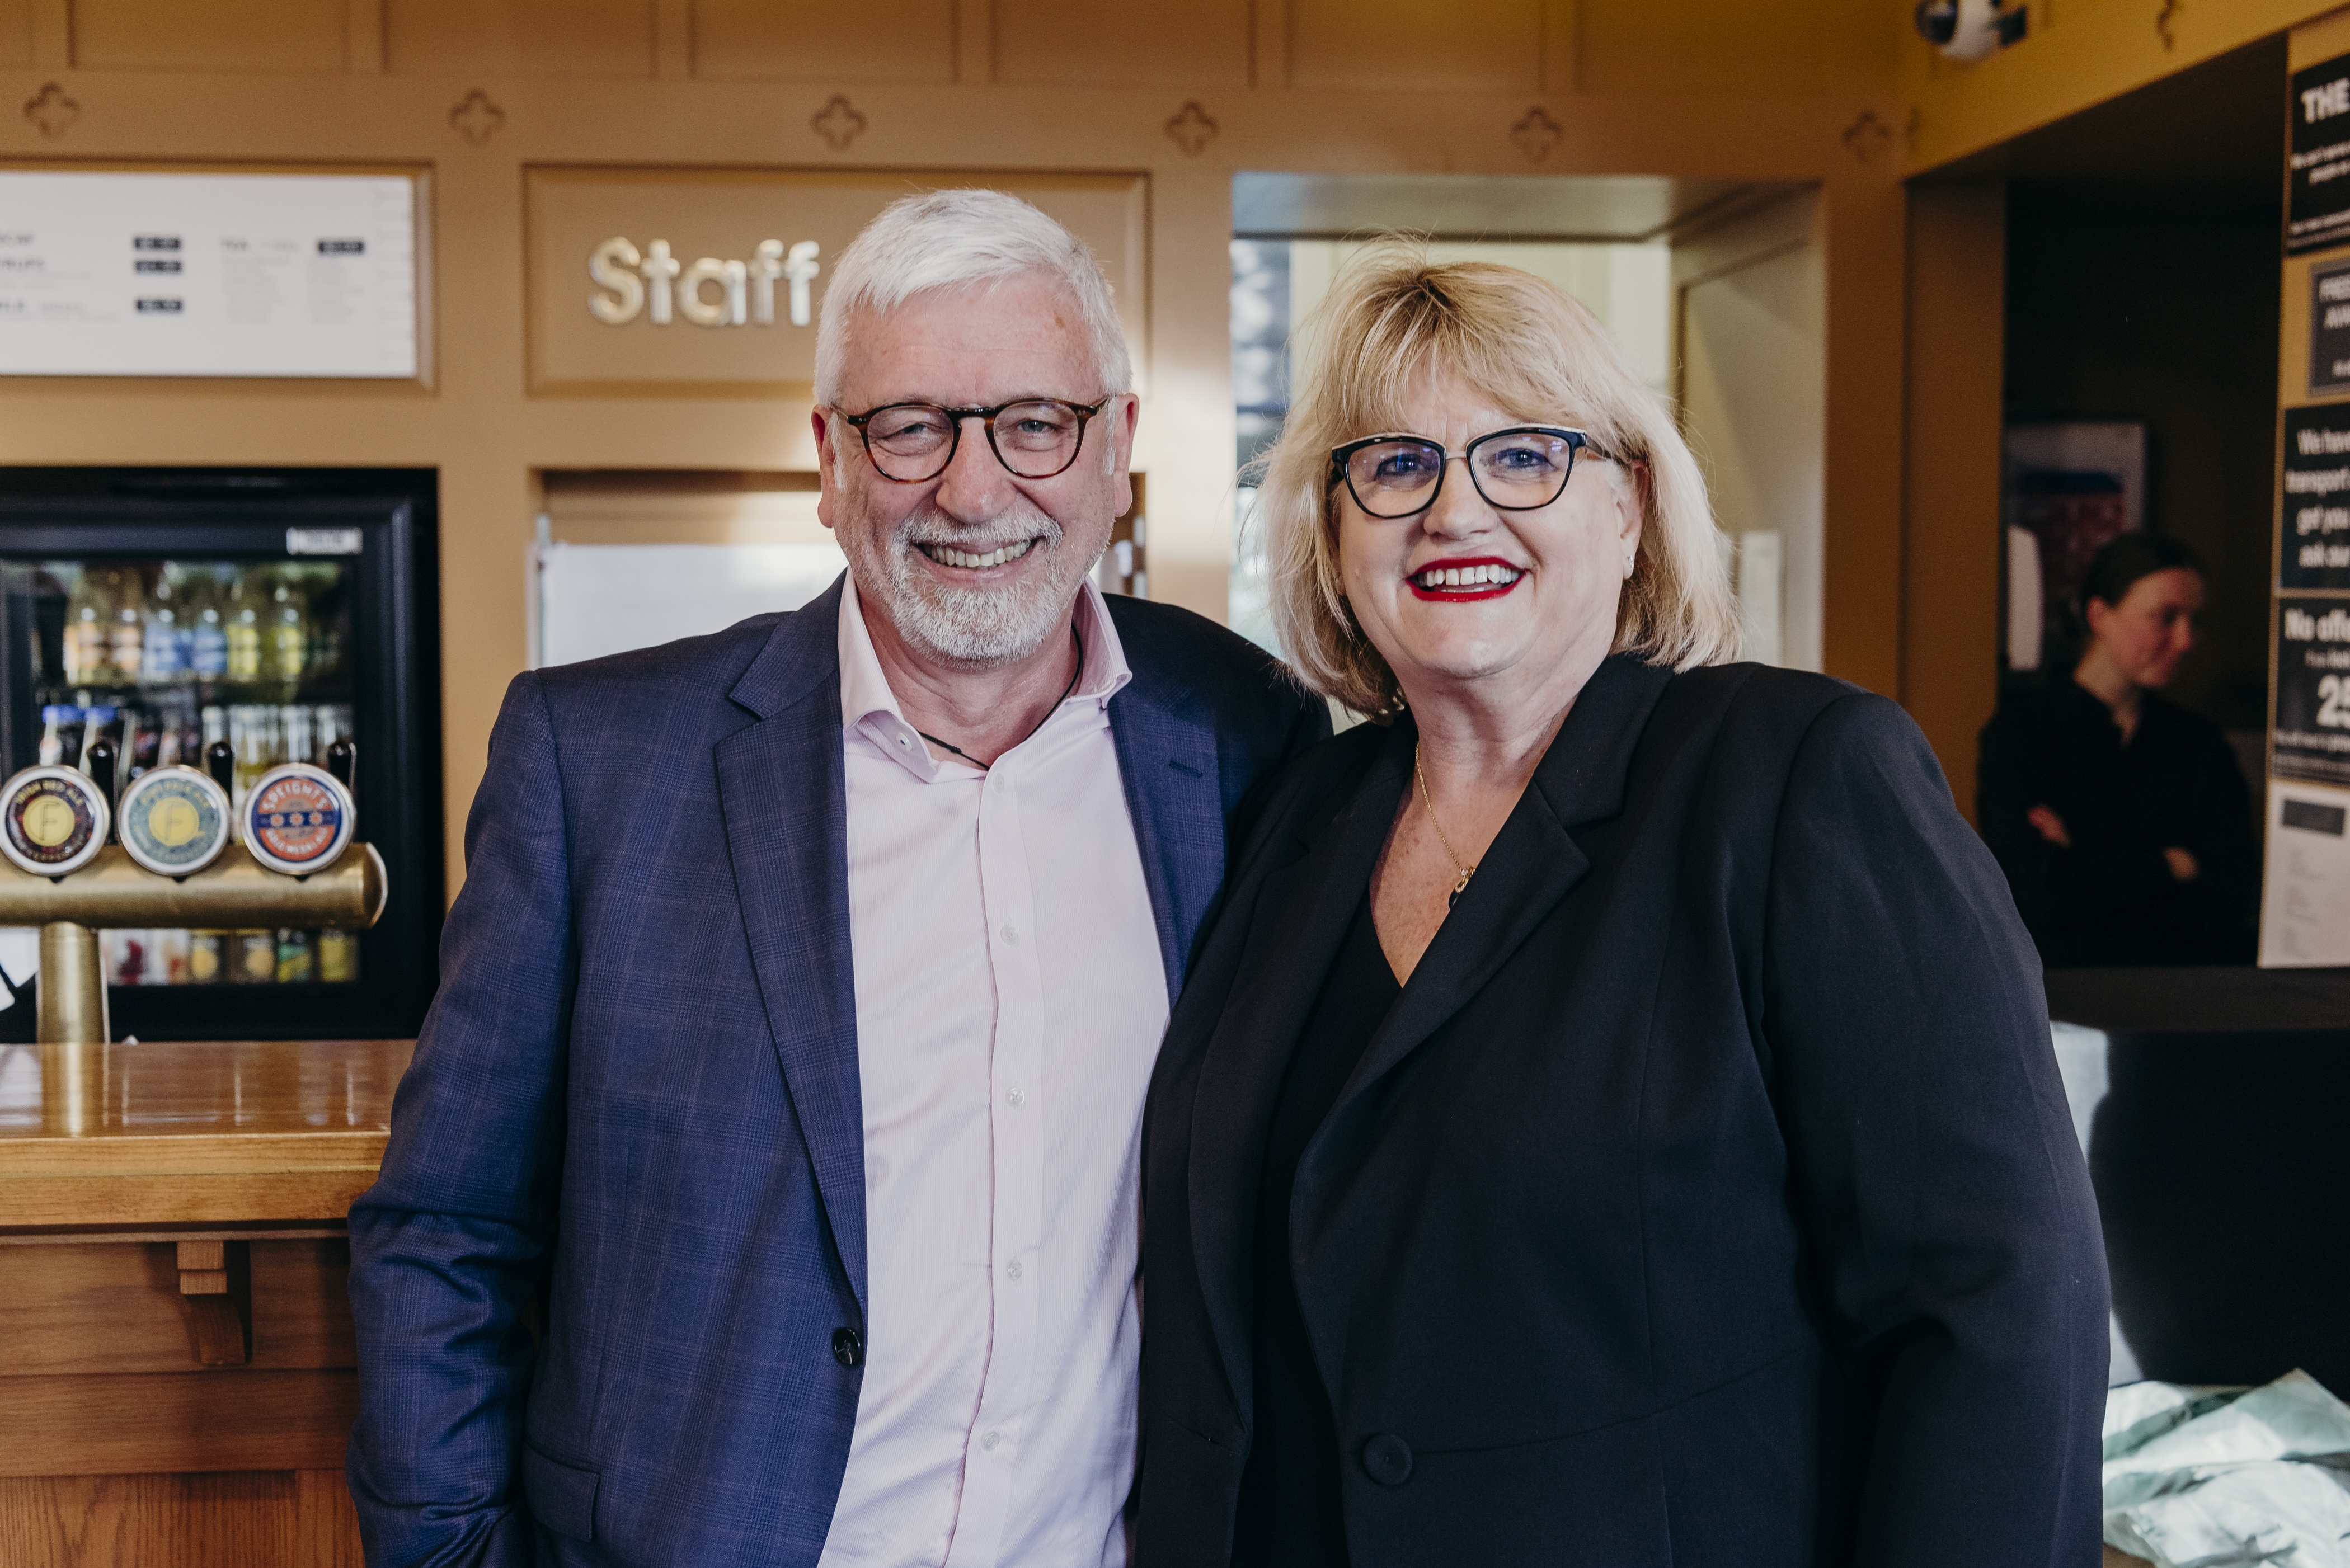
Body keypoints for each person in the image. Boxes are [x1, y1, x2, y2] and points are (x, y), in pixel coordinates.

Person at [345, 190, 1326, 1567]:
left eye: (1034, 424)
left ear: (1116, 448)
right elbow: (448, 1228)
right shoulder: (599, 763)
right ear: (829, 456)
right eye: (910, 426)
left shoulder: (1242, 735)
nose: (972, 491)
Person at [1132, 251, 2109, 1568]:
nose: (1455, 511)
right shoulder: (1299, 812)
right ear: (1334, 528)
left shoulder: (1792, 776)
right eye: (1398, 465)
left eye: (1522, 457)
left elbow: (2000, 1306)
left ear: (1629, 503)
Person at [1978, 533, 2257, 966]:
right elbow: (2039, 894)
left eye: (2195, 620)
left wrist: (2083, 862)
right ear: (2099, 615)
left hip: (2183, 991)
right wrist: (2172, 864)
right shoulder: (2022, 734)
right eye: (2166, 617)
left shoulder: (2201, 744)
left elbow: (2231, 897)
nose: (2186, 640)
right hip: (2060, 992)